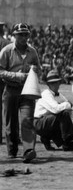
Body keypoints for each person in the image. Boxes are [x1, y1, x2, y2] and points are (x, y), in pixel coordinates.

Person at [0, 23, 41, 163]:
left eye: (26, 34)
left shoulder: (33, 52)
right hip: (11, 89)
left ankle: (28, 150)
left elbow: (39, 70)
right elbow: (0, 71)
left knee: (27, 120)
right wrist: (17, 76)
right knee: (11, 123)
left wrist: (34, 71)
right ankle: (12, 149)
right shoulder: (7, 51)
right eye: (20, 35)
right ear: (14, 36)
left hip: (27, 91)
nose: (24, 37)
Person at [34, 70, 73, 151]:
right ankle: (66, 142)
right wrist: (68, 104)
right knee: (62, 114)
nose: (55, 85)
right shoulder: (46, 94)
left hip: (47, 121)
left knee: (64, 117)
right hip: (38, 122)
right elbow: (56, 109)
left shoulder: (60, 95)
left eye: (57, 82)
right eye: (52, 83)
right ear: (48, 84)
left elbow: (71, 110)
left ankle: (48, 138)